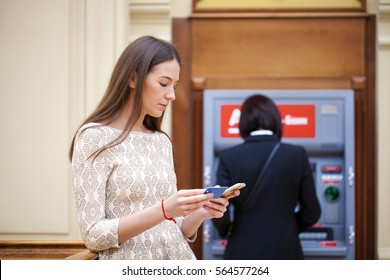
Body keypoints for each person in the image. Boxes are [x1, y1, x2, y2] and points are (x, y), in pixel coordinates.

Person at [69, 35, 238, 260]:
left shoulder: (161, 141)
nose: (172, 95)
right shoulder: (94, 137)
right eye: (163, 83)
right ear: (132, 78)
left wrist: (199, 213)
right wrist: (164, 209)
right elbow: (93, 235)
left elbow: (173, 229)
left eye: (174, 85)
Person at [212, 94, 321, 260]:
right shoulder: (297, 155)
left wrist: (226, 229)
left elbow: (218, 208)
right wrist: (288, 227)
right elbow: (312, 212)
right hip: (286, 250)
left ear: (243, 123)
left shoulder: (229, 157)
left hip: (242, 250)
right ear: (276, 120)